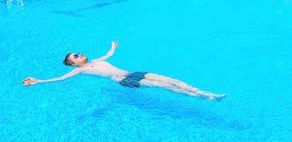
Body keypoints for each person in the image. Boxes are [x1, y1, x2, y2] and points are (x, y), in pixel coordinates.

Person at [23, 41, 226, 101]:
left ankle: (201, 91)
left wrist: (112, 48)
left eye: (77, 52)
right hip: (124, 80)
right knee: (164, 87)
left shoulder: (94, 60)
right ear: (73, 64)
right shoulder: (79, 71)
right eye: (74, 56)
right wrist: (39, 81)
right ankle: (203, 98)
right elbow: (60, 78)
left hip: (132, 73)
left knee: (170, 79)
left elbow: (107, 56)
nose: (79, 54)